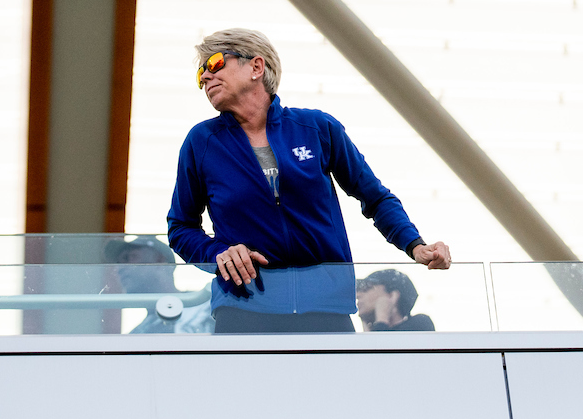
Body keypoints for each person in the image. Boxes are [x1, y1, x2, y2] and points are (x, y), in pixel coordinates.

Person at [168, 28, 451, 334]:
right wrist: (217, 253)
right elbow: (180, 227)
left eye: (214, 64)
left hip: (326, 309)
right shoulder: (202, 142)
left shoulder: (316, 128)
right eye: (200, 75)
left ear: (256, 67)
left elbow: (375, 197)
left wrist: (415, 245)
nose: (205, 78)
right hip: (243, 310)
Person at [105, 235, 214, 334]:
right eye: (118, 263)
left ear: (159, 260)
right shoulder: (137, 335)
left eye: (129, 258)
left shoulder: (207, 307)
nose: (119, 269)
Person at [355, 269, 435, 331]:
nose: (357, 295)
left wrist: (382, 320)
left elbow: (384, 350)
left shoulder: (420, 324)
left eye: (367, 288)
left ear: (392, 295)